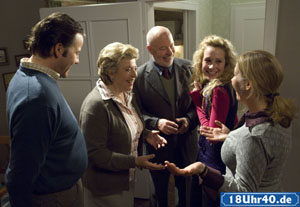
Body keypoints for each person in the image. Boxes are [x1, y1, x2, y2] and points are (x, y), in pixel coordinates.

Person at [165, 50, 297, 194]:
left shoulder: (251, 137)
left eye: (235, 74)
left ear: (247, 84)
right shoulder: (279, 117)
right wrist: (231, 137)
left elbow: (244, 194)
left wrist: (203, 171)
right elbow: (262, 153)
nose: (231, 80)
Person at [5, 12, 88, 207]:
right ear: (59, 49)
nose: (77, 60)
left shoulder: (31, 76)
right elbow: (21, 173)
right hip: (54, 198)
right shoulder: (35, 97)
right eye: (76, 52)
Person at [79, 42, 167, 207]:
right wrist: (135, 161)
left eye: (134, 68)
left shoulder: (126, 95)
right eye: (128, 69)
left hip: (125, 180)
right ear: (111, 73)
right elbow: (96, 154)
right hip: (105, 189)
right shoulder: (96, 105)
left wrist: (146, 134)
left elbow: (123, 126)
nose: (135, 74)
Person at [133, 26, 199, 207]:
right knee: (159, 195)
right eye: (162, 48)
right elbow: (135, 114)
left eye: (171, 45)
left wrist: (188, 120)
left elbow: (199, 107)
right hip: (158, 147)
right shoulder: (137, 76)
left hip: (187, 144)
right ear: (150, 50)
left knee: (188, 193)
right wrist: (156, 123)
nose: (170, 51)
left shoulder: (190, 68)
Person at [189, 35, 238, 206]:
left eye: (218, 61)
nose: (212, 66)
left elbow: (209, 132)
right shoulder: (226, 86)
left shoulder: (218, 90)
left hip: (214, 158)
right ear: (200, 61)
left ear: (226, 64)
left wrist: (196, 101)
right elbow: (234, 119)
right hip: (222, 156)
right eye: (208, 60)